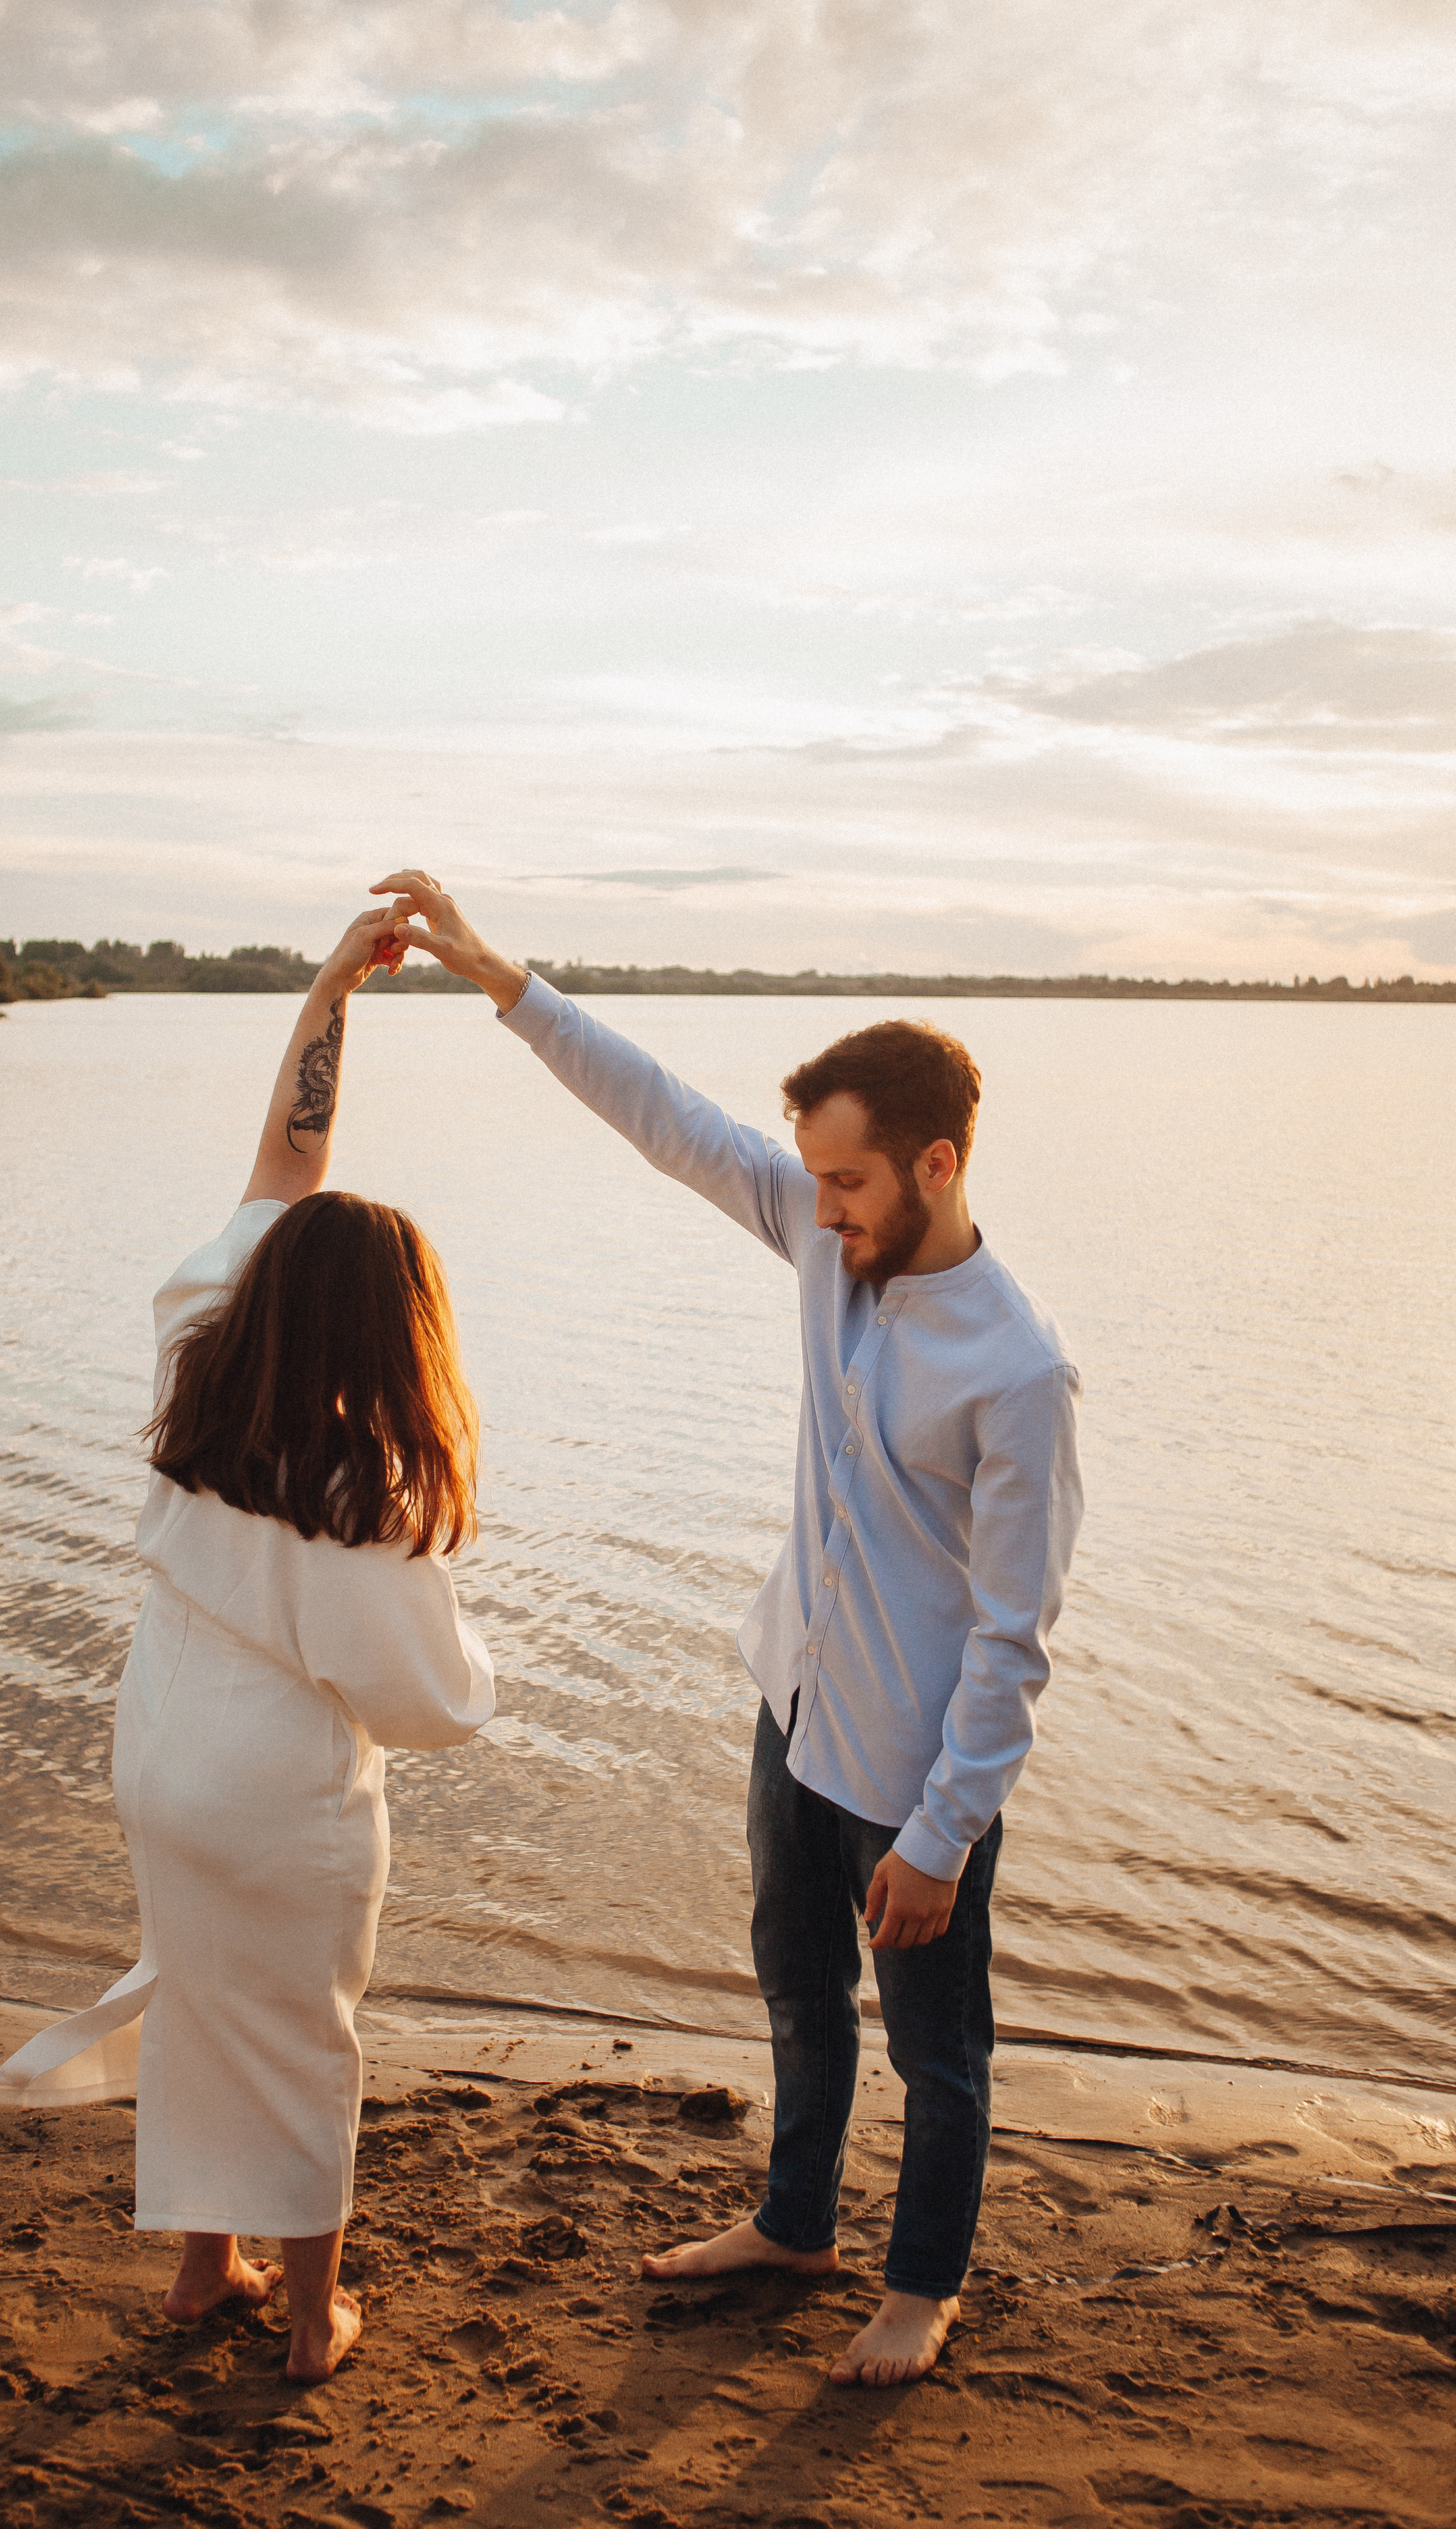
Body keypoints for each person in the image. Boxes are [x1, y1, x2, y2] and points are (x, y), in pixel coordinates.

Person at [371, 869, 1083, 2389]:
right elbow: (671, 1119)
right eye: (813, 1180)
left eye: (847, 1185)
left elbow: (1013, 1640)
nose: (815, 1210)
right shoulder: (833, 1248)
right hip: (796, 1709)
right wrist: (502, 980)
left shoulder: (1017, 1372)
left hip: (913, 1771)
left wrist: (942, 1836)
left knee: (937, 2057)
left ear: (936, 1164)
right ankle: (794, 2224)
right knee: (792, 1993)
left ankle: (918, 2289)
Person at [0, 908, 495, 2382]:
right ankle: (301, 2318)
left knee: (205, 1997)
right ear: (401, 1336)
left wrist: (333, 987)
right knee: (304, 2039)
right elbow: (421, 1705)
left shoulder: (195, 1359)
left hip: (153, 1752)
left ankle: (201, 2276)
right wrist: (487, 1670)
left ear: (271, 1287)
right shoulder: (365, 1491)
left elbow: (284, 1163)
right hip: (274, 1796)